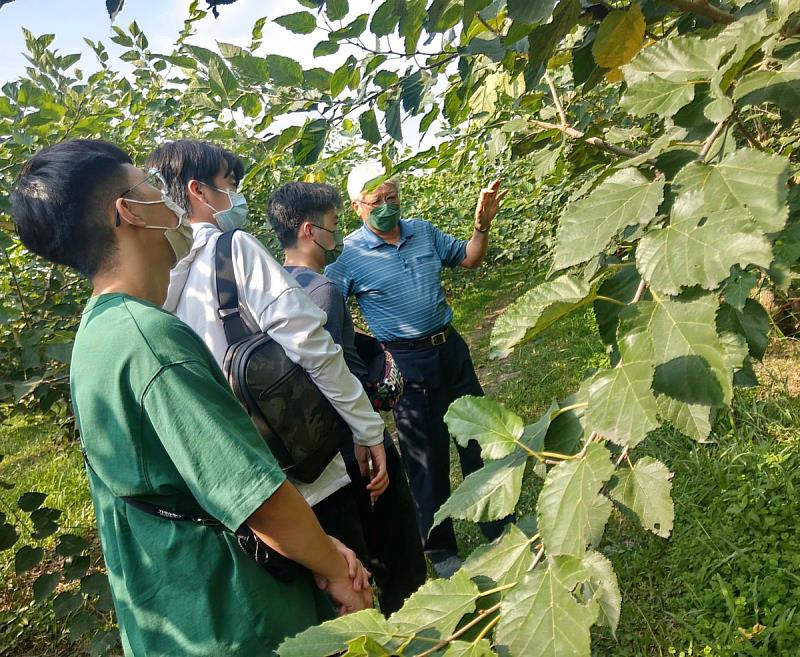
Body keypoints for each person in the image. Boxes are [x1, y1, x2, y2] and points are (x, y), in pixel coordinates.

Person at [10, 139, 372, 657]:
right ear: (131, 212)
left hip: (172, 613)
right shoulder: (152, 341)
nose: (172, 200)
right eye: (152, 186)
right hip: (233, 620)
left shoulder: (99, 332)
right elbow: (255, 496)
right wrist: (337, 569)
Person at [144, 141, 389, 563]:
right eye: (230, 184)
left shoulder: (154, 283)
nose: (237, 196)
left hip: (242, 494)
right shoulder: (232, 250)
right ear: (199, 191)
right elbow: (313, 346)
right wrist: (367, 429)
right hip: (304, 471)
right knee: (351, 583)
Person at [325, 162, 509, 578]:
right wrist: (366, 347)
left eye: (392, 197)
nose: (387, 207)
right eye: (377, 201)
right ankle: (439, 548)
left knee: (478, 439)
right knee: (425, 459)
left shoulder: (422, 231)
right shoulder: (349, 256)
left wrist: (481, 228)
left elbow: (468, 259)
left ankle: (497, 522)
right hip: (406, 364)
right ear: (357, 207)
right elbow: (325, 306)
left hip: (450, 350)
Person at [267, 181, 427, 613]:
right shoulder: (324, 292)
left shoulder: (271, 289)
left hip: (313, 452)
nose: (337, 236)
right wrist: (368, 436)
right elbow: (341, 375)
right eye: (334, 226)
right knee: (395, 550)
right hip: (354, 441)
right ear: (308, 230)